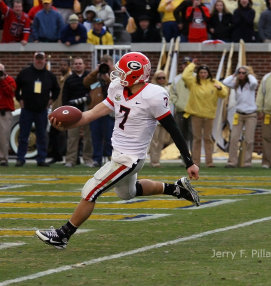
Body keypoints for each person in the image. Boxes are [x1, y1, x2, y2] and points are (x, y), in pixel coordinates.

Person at [35, 52, 200, 249]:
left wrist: (189, 161)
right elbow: (93, 112)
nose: (117, 75)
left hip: (129, 159)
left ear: (136, 75)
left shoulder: (154, 96)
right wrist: (68, 125)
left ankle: (63, 234)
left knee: (90, 190)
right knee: (127, 193)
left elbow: (173, 129)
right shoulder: (117, 88)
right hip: (120, 154)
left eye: (123, 72)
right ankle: (175, 189)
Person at [15, 52, 60, 167]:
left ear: (45, 60)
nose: (39, 61)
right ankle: (20, 158)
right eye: (37, 58)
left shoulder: (50, 75)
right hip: (27, 110)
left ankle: (41, 159)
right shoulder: (25, 73)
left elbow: (56, 89)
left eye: (41, 59)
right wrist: (19, 99)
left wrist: (51, 100)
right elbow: (15, 88)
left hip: (41, 110)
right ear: (34, 59)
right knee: (23, 135)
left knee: (42, 135)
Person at [183, 60, 228, 167]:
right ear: (198, 73)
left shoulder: (214, 82)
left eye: (205, 72)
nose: (203, 74)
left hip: (209, 116)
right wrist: (192, 65)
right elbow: (185, 76)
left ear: (208, 73)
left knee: (208, 139)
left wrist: (220, 88)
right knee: (197, 139)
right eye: (201, 72)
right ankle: (195, 162)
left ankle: (209, 162)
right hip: (196, 115)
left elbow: (224, 94)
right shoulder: (193, 82)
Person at [222, 66, 258, 168]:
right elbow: (225, 82)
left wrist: (249, 73)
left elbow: (255, 82)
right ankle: (232, 162)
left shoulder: (251, 84)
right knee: (234, 138)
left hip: (250, 114)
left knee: (249, 139)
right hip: (239, 114)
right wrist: (234, 74)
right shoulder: (236, 84)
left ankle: (247, 162)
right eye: (240, 73)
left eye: (243, 73)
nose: (241, 74)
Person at [83, 54, 114, 167]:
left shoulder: (115, 75)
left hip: (109, 111)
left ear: (112, 63)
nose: (105, 65)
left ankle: (111, 158)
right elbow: (85, 83)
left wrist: (109, 78)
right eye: (103, 63)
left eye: (107, 63)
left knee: (109, 137)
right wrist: (96, 71)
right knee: (96, 136)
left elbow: (119, 88)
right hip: (95, 110)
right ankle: (97, 159)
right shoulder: (96, 76)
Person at [62, 57, 93, 168]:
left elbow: (94, 93)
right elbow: (64, 97)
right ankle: (70, 160)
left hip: (88, 110)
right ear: (73, 66)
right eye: (76, 64)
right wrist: (65, 111)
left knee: (88, 136)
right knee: (72, 137)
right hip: (72, 111)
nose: (78, 65)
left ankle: (88, 159)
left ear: (84, 65)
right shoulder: (69, 79)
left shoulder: (90, 77)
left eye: (80, 63)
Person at [47, 59, 71, 165]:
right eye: (61, 65)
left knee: (66, 135)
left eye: (64, 65)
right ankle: (57, 156)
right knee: (54, 134)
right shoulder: (58, 79)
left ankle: (68, 157)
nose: (62, 67)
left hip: (65, 111)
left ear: (68, 66)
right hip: (56, 110)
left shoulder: (69, 78)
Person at [170, 56, 193, 151]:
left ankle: (194, 156)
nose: (186, 66)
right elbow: (172, 94)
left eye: (188, 64)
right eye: (184, 64)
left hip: (193, 111)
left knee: (193, 135)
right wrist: (177, 103)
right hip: (180, 111)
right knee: (181, 135)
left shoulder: (196, 78)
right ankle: (184, 156)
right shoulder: (176, 79)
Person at [149, 70, 171, 167]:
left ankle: (157, 159)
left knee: (162, 141)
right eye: (159, 78)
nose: (161, 79)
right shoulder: (152, 89)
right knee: (154, 141)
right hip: (155, 118)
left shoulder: (168, 89)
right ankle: (154, 161)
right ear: (155, 79)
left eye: (163, 78)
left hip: (165, 118)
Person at [0, 64, 16, 167]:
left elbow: (10, 92)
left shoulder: (9, 80)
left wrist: (2, 80)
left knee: (3, 137)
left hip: (4, 112)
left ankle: (3, 159)